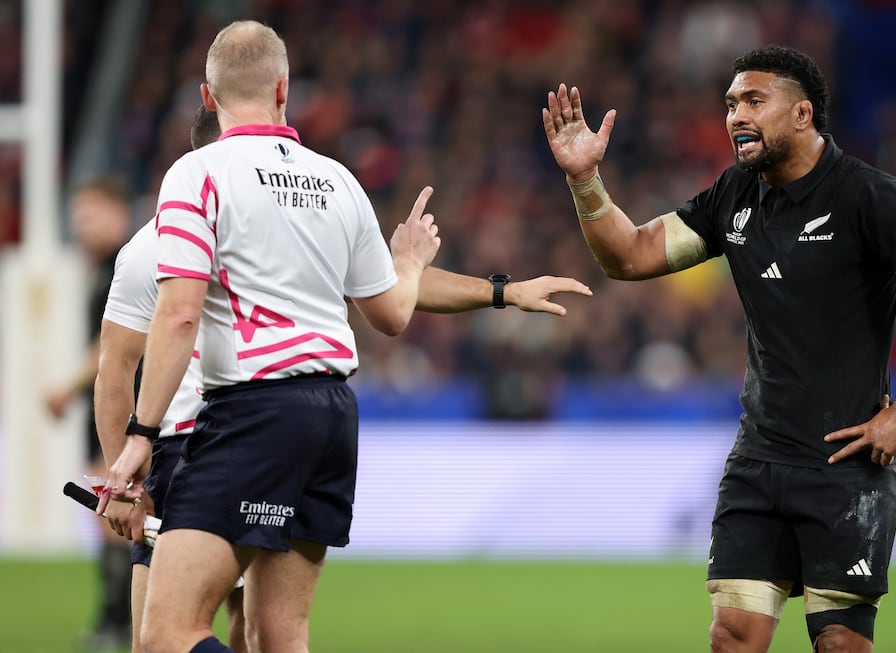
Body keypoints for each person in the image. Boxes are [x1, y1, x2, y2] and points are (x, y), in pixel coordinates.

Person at [98, 21, 589, 653]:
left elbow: (179, 315)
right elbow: (389, 312)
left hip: (248, 417)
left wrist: (139, 436)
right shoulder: (336, 181)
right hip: (331, 419)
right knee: (280, 637)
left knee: (165, 638)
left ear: (207, 97)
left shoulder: (198, 175)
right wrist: (418, 266)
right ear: (284, 89)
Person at [542, 44, 896, 653]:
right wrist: (585, 179)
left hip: (845, 467)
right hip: (758, 460)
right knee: (732, 636)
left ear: (802, 115)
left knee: (840, 644)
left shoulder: (869, 197)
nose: (736, 116)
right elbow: (630, 255)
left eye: (753, 100)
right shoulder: (734, 195)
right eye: (730, 103)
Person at [95, 105, 250, 653]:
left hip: (251, 436)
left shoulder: (272, 226)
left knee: (228, 633)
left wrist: (500, 292)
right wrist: (124, 485)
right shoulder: (150, 247)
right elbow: (115, 369)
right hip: (187, 450)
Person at [46, 175, 134, 651]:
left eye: (89, 215)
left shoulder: (122, 266)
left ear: (117, 212)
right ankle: (115, 621)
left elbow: (110, 348)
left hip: (117, 412)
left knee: (114, 518)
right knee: (109, 518)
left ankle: (116, 623)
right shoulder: (103, 268)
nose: (81, 227)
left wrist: (67, 387)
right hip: (108, 410)